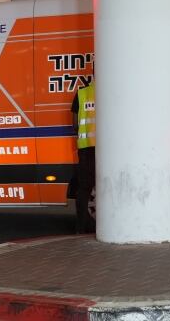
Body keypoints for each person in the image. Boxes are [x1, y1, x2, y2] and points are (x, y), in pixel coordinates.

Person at [71, 81, 96, 234]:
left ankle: (81, 226)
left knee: (84, 188)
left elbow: (75, 124)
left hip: (86, 147)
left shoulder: (81, 93)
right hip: (108, 149)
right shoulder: (112, 91)